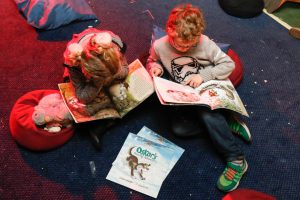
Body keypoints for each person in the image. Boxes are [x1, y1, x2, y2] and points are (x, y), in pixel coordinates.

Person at [146, 4, 252, 192]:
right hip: (183, 93)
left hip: (207, 87)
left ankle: (236, 158)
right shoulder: (160, 45)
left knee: (207, 115)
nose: (184, 48)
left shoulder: (204, 43)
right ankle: (225, 124)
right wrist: (156, 68)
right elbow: (152, 60)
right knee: (179, 129)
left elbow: (228, 64)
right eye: (179, 44)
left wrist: (204, 76)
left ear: (197, 37)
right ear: (169, 30)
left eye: (190, 46)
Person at [63, 27, 128, 150]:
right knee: (81, 104)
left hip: (99, 69)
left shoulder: (114, 46)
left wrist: (113, 73)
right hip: (86, 73)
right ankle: (103, 122)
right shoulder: (74, 62)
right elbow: (82, 96)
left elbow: (125, 70)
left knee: (124, 97)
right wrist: (98, 82)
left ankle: (102, 123)